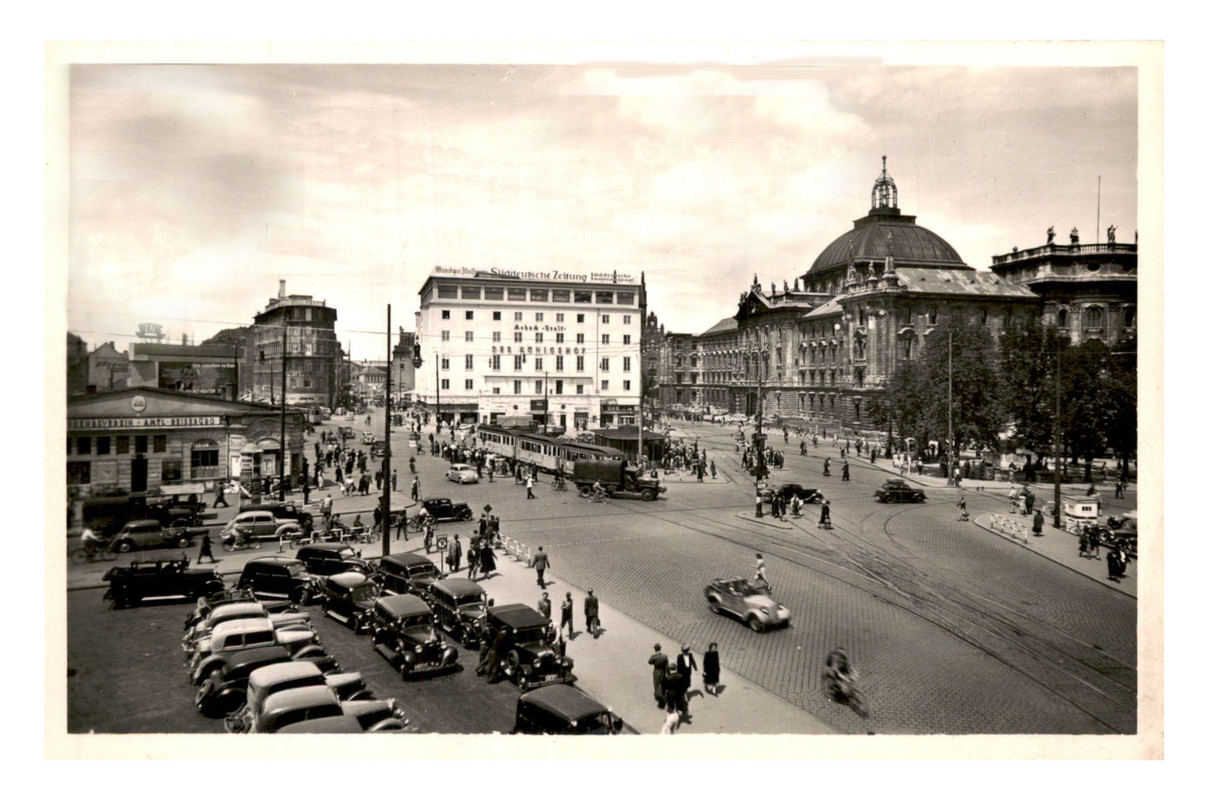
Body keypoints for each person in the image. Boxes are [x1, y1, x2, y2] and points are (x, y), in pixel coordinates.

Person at [648, 643, 670, 709]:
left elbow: (649, 662)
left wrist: (653, 656)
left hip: (656, 671)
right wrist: (668, 673)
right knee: (662, 683)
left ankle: (659, 697)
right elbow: (667, 666)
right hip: (662, 671)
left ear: (655, 649)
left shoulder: (654, 657)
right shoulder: (665, 656)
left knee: (656, 684)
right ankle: (661, 694)